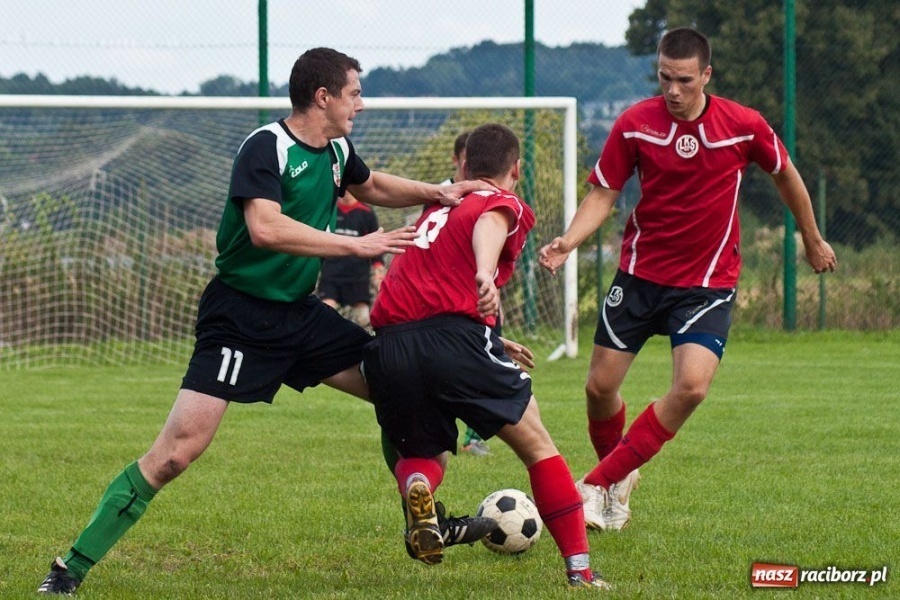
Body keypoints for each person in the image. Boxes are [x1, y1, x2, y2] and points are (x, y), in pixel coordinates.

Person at [37, 47, 498, 596]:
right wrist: (356, 248)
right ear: (322, 96)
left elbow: (369, 184)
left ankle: (422, 519)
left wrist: (436, 191)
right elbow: (266, 228)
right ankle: (69, 569)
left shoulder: (336, 149)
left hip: (301, 316)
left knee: (398, 384)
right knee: (175, 455)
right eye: (354, 93)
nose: (361, 104)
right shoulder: (266, 147)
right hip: (240, 318)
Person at [539, 27, 838, 533]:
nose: (672, 91)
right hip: (638, 276)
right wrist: (570, 240)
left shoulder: (743, 126)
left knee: (692, 388)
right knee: (598, 389)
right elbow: (604, 193)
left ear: (706, 75)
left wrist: (810, 237)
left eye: (683, 80)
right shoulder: (635, 124)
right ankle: (614, 485)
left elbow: (786, 174)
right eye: (663, 78)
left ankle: (598, 484)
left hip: (706, 284)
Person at [363, 123, 610, 589]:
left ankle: (417, 486)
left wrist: (492, 340)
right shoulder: (499, 201)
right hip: (453, 340)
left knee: (423, 450)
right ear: (515, 168)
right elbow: (490, 225)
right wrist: (483, 272)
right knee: (538, 447)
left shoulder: (436, 206)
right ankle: (580, 572)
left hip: (390, 344)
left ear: (462, 165)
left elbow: (424, 290)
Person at [442, 130, 496, 457]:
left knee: (485, 363)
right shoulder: (439, 193)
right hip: (447, 302)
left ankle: (473, 435)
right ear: (458, 161)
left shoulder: (491, 198)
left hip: (479, 294)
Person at [317, 189, 385, 328]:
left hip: (357, 275)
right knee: (323, 315)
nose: (347, 189)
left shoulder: (366, 213)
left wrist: (378, 271)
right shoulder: (329, 209)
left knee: (363, 319)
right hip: (331, 273)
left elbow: (376, 245)